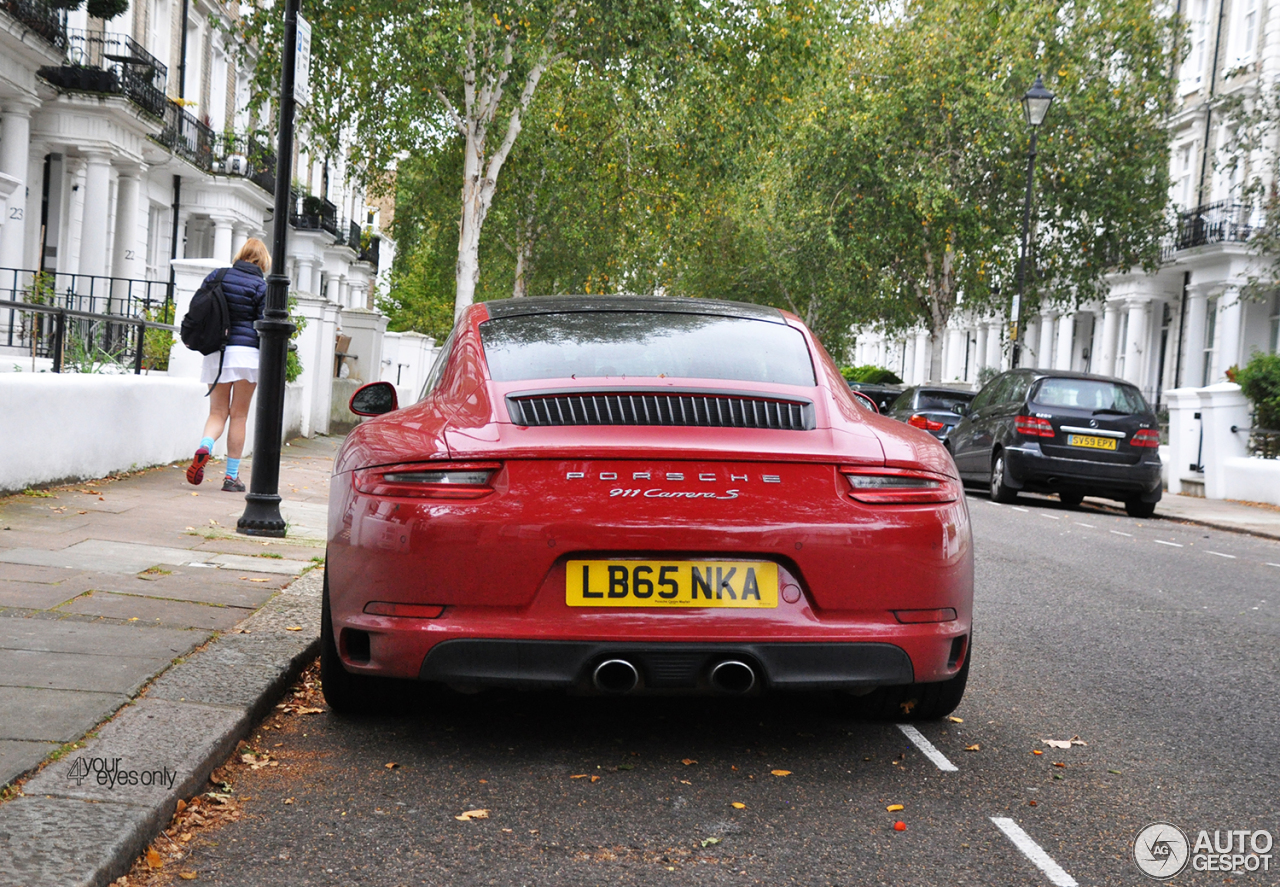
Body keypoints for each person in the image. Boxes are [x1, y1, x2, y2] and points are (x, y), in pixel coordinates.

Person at [185, 238, 270, 492]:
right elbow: (264, 324)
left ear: (241, 254)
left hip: (216, 352)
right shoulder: (261, 286)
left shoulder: (217, 276)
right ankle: (231, 477)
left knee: (217, 412)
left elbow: (198, 308)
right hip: (247, 355)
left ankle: (205, 446)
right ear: (263, 261)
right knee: (239, 415)